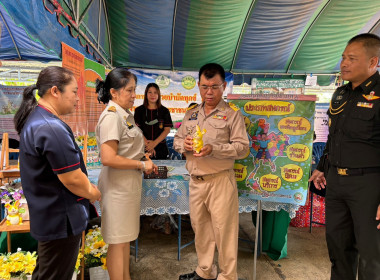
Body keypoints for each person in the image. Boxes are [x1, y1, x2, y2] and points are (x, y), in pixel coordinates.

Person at [14, 66, 101, 280]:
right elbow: (72, 179)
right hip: (61, 219)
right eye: (73, 91)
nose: (77, 98)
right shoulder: (50, 127)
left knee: (46, 273)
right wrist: (94, 193)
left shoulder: (38, 120)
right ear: (55, 91)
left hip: (50, 216)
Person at [309, 33, 380, 280]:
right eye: (343, 58)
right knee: (338, 249)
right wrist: (321, 166)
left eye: (352, 58)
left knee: (372, 255)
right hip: (336, 183)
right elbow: (334, 137)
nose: (344, 64)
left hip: (369, 185)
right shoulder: (340, 94)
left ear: (373, 62)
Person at [174, 63, 249, 280]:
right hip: (196, 181)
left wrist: (214, 149)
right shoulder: (191, 114)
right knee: (202, 231)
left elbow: (242, 148)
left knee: (224, 232)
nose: (209, 92)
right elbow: (178, 140)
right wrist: (184, 145)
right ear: (198, 85)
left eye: (214, 86)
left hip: (220, 181)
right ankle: (205, 271)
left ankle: (227, 276)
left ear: (223, 86)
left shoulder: (232, 114)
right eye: (205, 86)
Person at [95, 68, 157, 280]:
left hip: (126, 187)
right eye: (129, 90)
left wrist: (142, 159)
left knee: (123, 241)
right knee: (117, 241)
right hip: (117, 190)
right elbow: (109, 158)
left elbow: (127, 150)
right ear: (114, 92)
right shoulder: (112, 117)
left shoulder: (124, 115)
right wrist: (140, 166)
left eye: (134, 90)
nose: (134, 95)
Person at [134, 83, 173, 159]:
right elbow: (136, 129)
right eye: (150, 92)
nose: (152, 95)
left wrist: (154, 144)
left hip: (161, 148)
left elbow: (167, 130)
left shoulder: (164, 111)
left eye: (155, 92)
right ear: (146, 94)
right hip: (143, 148)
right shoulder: (139, 110)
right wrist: (148, 145)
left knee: (161, 170)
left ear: (158, 94)